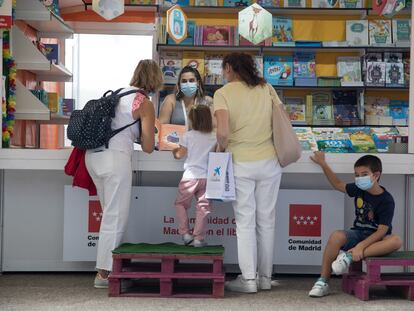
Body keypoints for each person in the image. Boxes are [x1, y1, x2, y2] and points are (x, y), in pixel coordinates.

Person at [85, 59, 162, 289]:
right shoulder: (144, 102)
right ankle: (104, 274)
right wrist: (149, 134)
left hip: (93, 157)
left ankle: (110, 268)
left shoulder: (117, 94)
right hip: (115, 159)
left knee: (110, 214)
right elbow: (148, 147)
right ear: (155, 79)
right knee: (115, 218)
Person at [214, 52, 283, 293]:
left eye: (224, 68)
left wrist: (220, 147)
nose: (223, 73)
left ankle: (248, 280)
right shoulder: (266, 88)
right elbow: (281, 118)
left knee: (245, 221)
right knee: (267, 221)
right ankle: (265, 278)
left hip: (241, 162)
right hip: (270, 162)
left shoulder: (222, 94)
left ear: (230, 68)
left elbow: (222, 133)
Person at [308, 152, 402, 298]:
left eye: (364, 174)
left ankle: (348, 257)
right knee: (336, 236)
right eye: (356, 175)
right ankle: (323, 281)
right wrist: (323, 164)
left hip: (377, 239)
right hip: (358, 233)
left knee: (396, 240)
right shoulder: (358, 189)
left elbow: (381, 231)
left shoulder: (387, 200)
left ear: (376, 175)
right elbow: (338, 184)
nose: (359, 178)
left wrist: (360, 247)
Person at [172, 105, 216, 247]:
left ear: (192, 120)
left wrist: (174, 150)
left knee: (181, 204)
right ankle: (198, 238)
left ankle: (185, 234)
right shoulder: (214, 136)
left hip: (190, 177)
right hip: (208, 178)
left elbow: (179, 155)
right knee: (203, 207)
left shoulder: (188, 136)